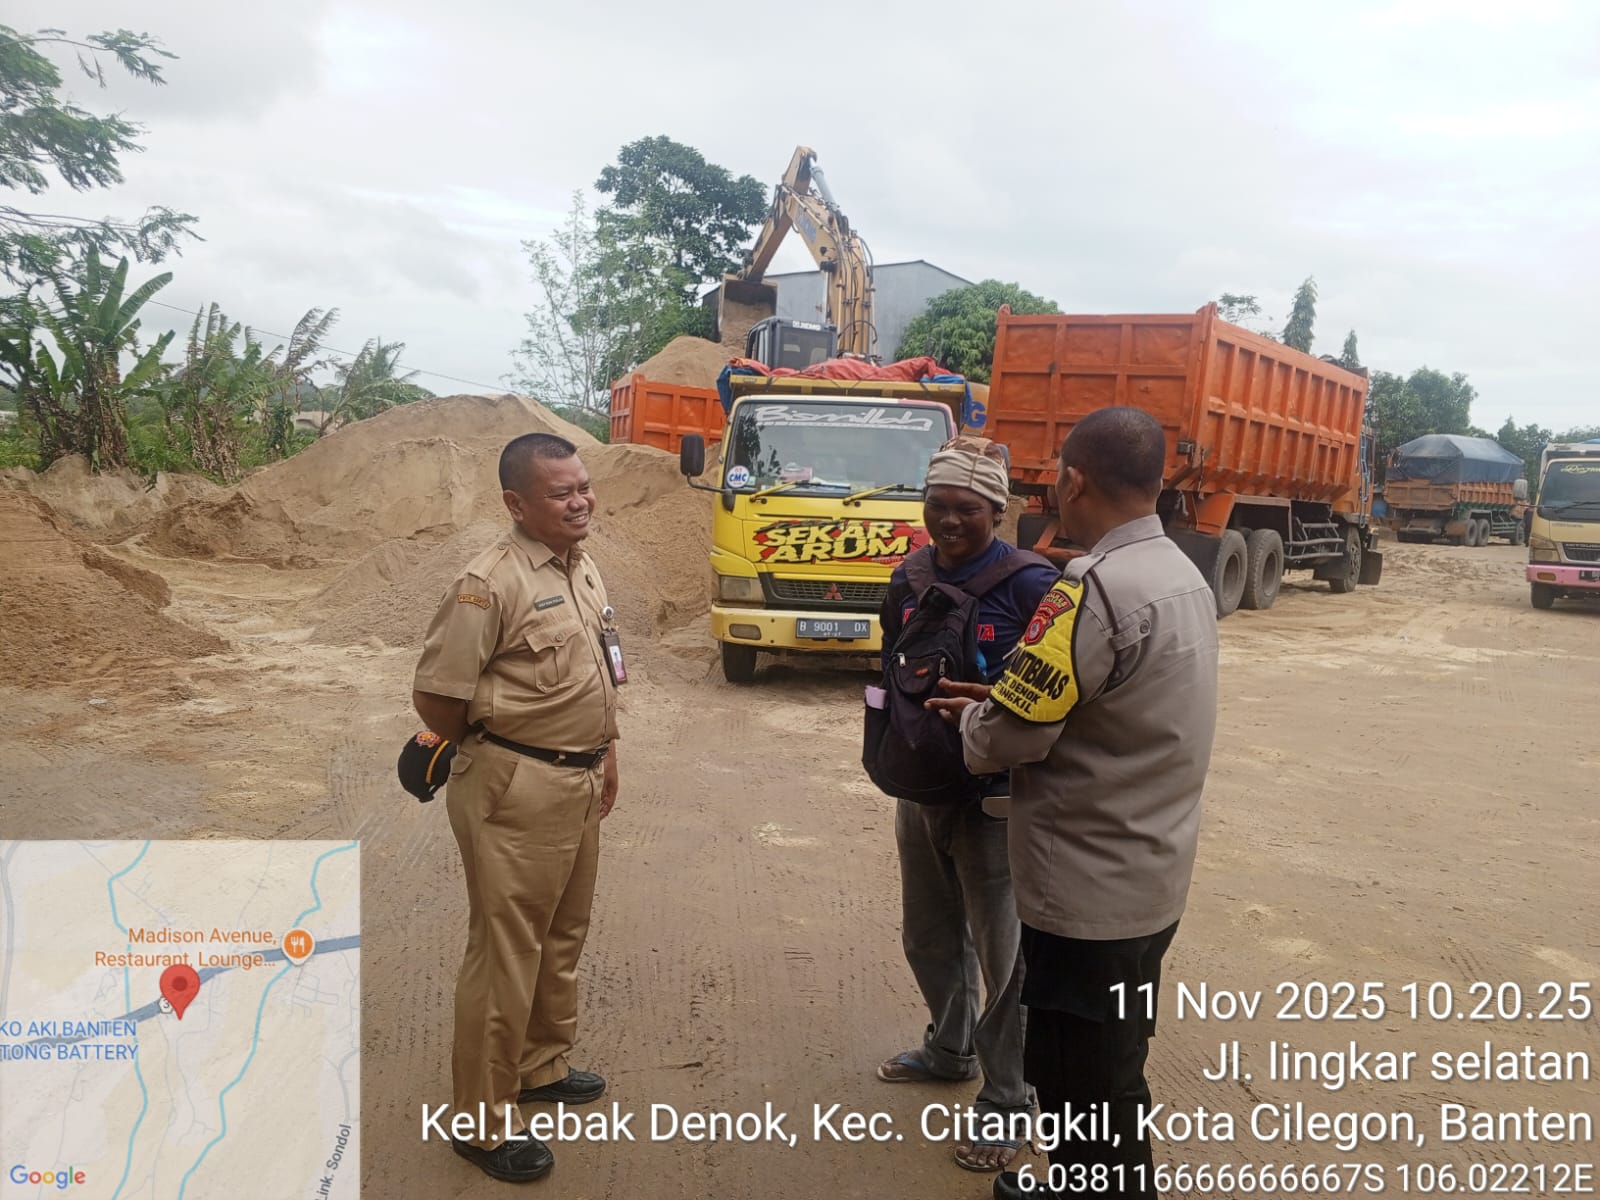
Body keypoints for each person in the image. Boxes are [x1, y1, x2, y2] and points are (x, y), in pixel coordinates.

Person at [926, 407, 1220, 1200]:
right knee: (1114, 1066)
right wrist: (1006, 699)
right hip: (1149, 880)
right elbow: (1110, 704)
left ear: (1076, 479)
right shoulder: (1180, 574)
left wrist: (979, 722)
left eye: (1058, 471)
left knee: (1079, 1089)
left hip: (1083, 897)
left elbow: (1014, 737)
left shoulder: (1090, 587)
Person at [412, 431, 623, 1184]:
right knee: (507, 953)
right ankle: (480, 1121)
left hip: (579, 777)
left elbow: (599, 670)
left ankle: (540, 1065)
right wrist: (499, 749)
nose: (581, 501)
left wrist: (605, 752)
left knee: (562, 934)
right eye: (562, 493)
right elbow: (437, 696)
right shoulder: (488, 583)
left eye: (584, 486)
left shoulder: (581, 565)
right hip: (517, 787)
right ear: (516, 503)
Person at [874, 435, 1059, 1174]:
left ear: (998, 510)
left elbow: (1059, 695)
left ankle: (1009, 1097)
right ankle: (949, 1049)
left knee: (1003, 955)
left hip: (994, 801)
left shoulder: (1033, 585)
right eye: (937, 505)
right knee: (927, 933)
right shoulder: (909, 575)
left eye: (967, 509)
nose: (948, 520)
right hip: (920, 787)